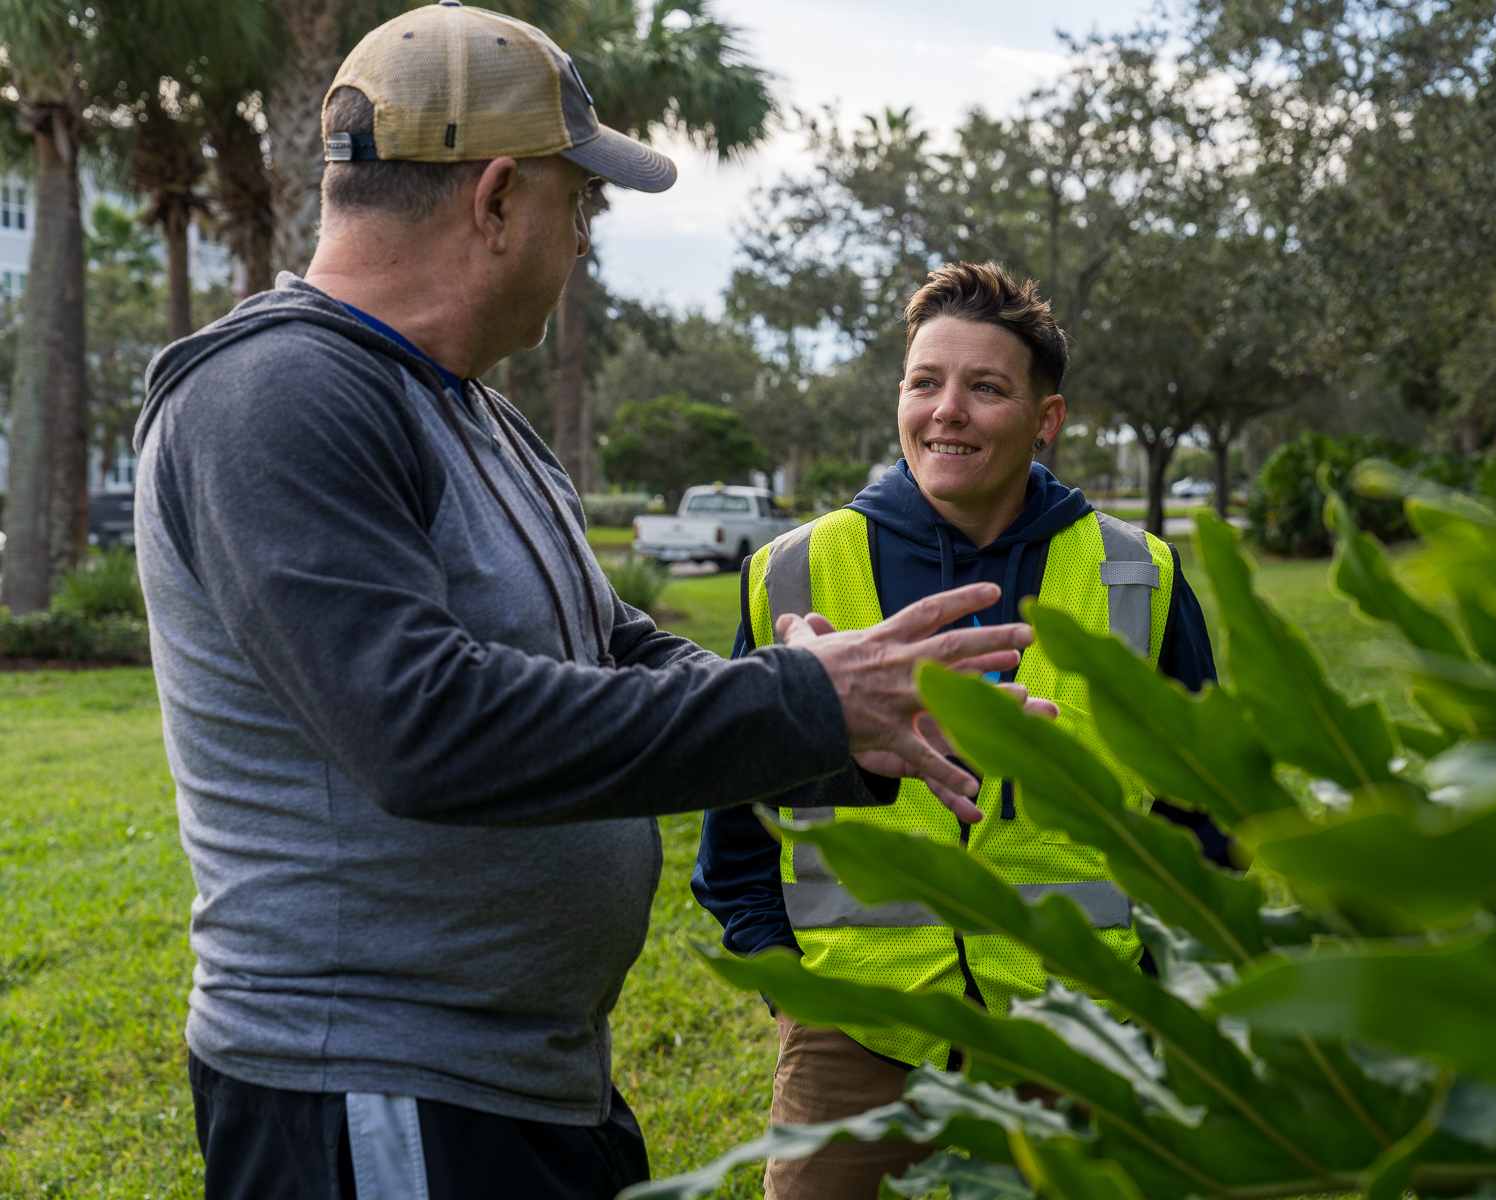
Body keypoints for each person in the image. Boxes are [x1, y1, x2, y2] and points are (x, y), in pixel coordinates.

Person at [133, 7, 1047, 1196]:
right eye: (582, 206)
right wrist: (802, 704)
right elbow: (422, 729)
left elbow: (606, 647)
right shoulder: (276, 399)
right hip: (375, 1092)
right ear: (499, 198)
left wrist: (847, 720)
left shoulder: (464, 407)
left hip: (519, 1079)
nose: (585, 244)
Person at [692, 261, 1231, 1200]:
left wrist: (1159, 995)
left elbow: (1208, 814)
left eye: (986, 388)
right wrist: (787, 983)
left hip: (1079, 1027)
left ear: (1045, 418)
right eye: (925, 382)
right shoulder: (794, 571)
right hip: (856, 1033)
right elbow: (738, 812)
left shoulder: (1135, 574)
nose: (948, 411)